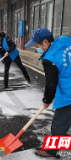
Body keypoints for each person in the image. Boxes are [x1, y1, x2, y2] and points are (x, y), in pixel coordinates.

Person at [25, 28, 71, 158]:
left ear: (45, 42)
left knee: (58, 125)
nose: (36, 47)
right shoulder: (65, 39)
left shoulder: (50, 59)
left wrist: (47, 100)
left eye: (37, 44)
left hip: (69, 93)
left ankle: (52, 151)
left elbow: (51, 84)